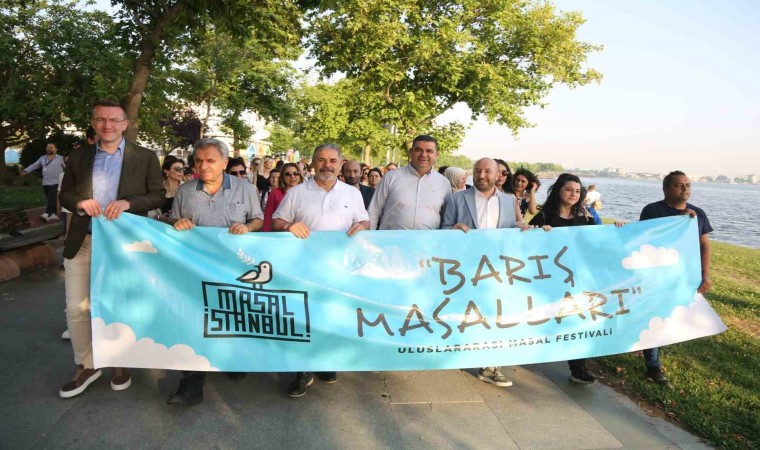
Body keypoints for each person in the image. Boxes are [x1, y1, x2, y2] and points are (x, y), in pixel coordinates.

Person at [58, 99, 165, 398]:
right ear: (93, 122)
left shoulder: (145, 157)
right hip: (84, 241)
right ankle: (86, 365)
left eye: (114, 120)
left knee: (119, 304)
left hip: (124, 245)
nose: (107, 125)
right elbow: (65, 194)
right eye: (101, 119)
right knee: (77, 308)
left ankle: (120, 362)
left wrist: (129, 203)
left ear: (125, 124)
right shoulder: (78, 156)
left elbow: (158, 195)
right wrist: (80, 203)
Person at [168, 138, 264, 405]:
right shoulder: (185, 191)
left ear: (224, 162)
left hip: (234, 269)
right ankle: (191, 384)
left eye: (210, 161)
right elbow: (172, 219)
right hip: (195, 269)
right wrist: (177, 222)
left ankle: (233, 360)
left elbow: (258, 218)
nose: (203, 166)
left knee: (232, 318)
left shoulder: (246, 189)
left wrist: (248, 227)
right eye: (199, 161)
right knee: (194, 321)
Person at [272, 143, 369, 398]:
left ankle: (325, 362)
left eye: (332, 161)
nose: (327, 165)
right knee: (305, 318)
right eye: (322, 160)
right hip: (304, 269)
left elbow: (364, 220)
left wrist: (362, 226)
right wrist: (288, 226)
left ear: (340, 164)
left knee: (331, 316)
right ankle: (302, 372)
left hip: (339, 269)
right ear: (313, 163)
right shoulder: (297, 192)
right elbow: (277, 220)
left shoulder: (352, 193)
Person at [441, 158, 533, 388]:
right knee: (468, 313)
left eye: (487, 171)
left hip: (496, 267)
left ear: (498, 175)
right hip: (465, 267)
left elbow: (512, 227)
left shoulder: (509, 200)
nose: (481, 175)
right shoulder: (456, 198)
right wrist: (452, 229)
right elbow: (442, 229)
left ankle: (491, 365)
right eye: (477, 171)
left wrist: (524, 228)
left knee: (495, 314)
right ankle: (460, 351)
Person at [528, 173, 622, 384]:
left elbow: (599, 240)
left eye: (578, 191)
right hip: (550, 279)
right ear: (558, 191)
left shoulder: (586, 217)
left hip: (579, 278)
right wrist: (537, 232)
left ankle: (578, 367)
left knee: (578, 318)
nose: (573, 194)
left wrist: (617, 230)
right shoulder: (544, 216)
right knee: (550, 317)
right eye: (569, 189)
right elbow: (527, 242)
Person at [638, 171, 712, 385]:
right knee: (652, 314)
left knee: (671, 316)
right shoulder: (653, 210)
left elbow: (704, 244)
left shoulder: (698, 214)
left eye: (688, 185)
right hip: (656, 274)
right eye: (679, 185)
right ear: (666, 188)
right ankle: (653, 365)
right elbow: (643, 238)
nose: (685, 189)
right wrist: (678, 222)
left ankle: (650, 350)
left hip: (683, 276)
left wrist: (705, 274)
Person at [368, 135, 451, 230]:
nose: (423, 155)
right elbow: (374, 210)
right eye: (418, 150)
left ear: (436, 154)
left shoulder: (444, 183)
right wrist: (370, 236)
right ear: (411, 152)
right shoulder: (390, 177)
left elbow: (446, 217)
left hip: (428, 239)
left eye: (429, 151)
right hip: (392, 238)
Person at [22, 141, 66, 222]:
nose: (49, 149)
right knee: (50, 199)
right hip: (45, 182)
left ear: (56, 149)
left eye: (51, 147)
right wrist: (26, 170)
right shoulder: (42, 158)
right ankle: (54, 214)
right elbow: (35, 165)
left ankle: (46, 214)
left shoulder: (60, 158)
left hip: (56, 182)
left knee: (51, 198)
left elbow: (67, 168)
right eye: (47, 147)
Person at [262, 163, 303, 231]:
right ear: (282, 177)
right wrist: (266, 234)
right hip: (281, 233)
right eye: (288, 174)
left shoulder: (306, 192)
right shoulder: (275, 193)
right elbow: (268, 217)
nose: (292, 176)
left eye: (296, 173)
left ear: (300, 175)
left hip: (304, 232)